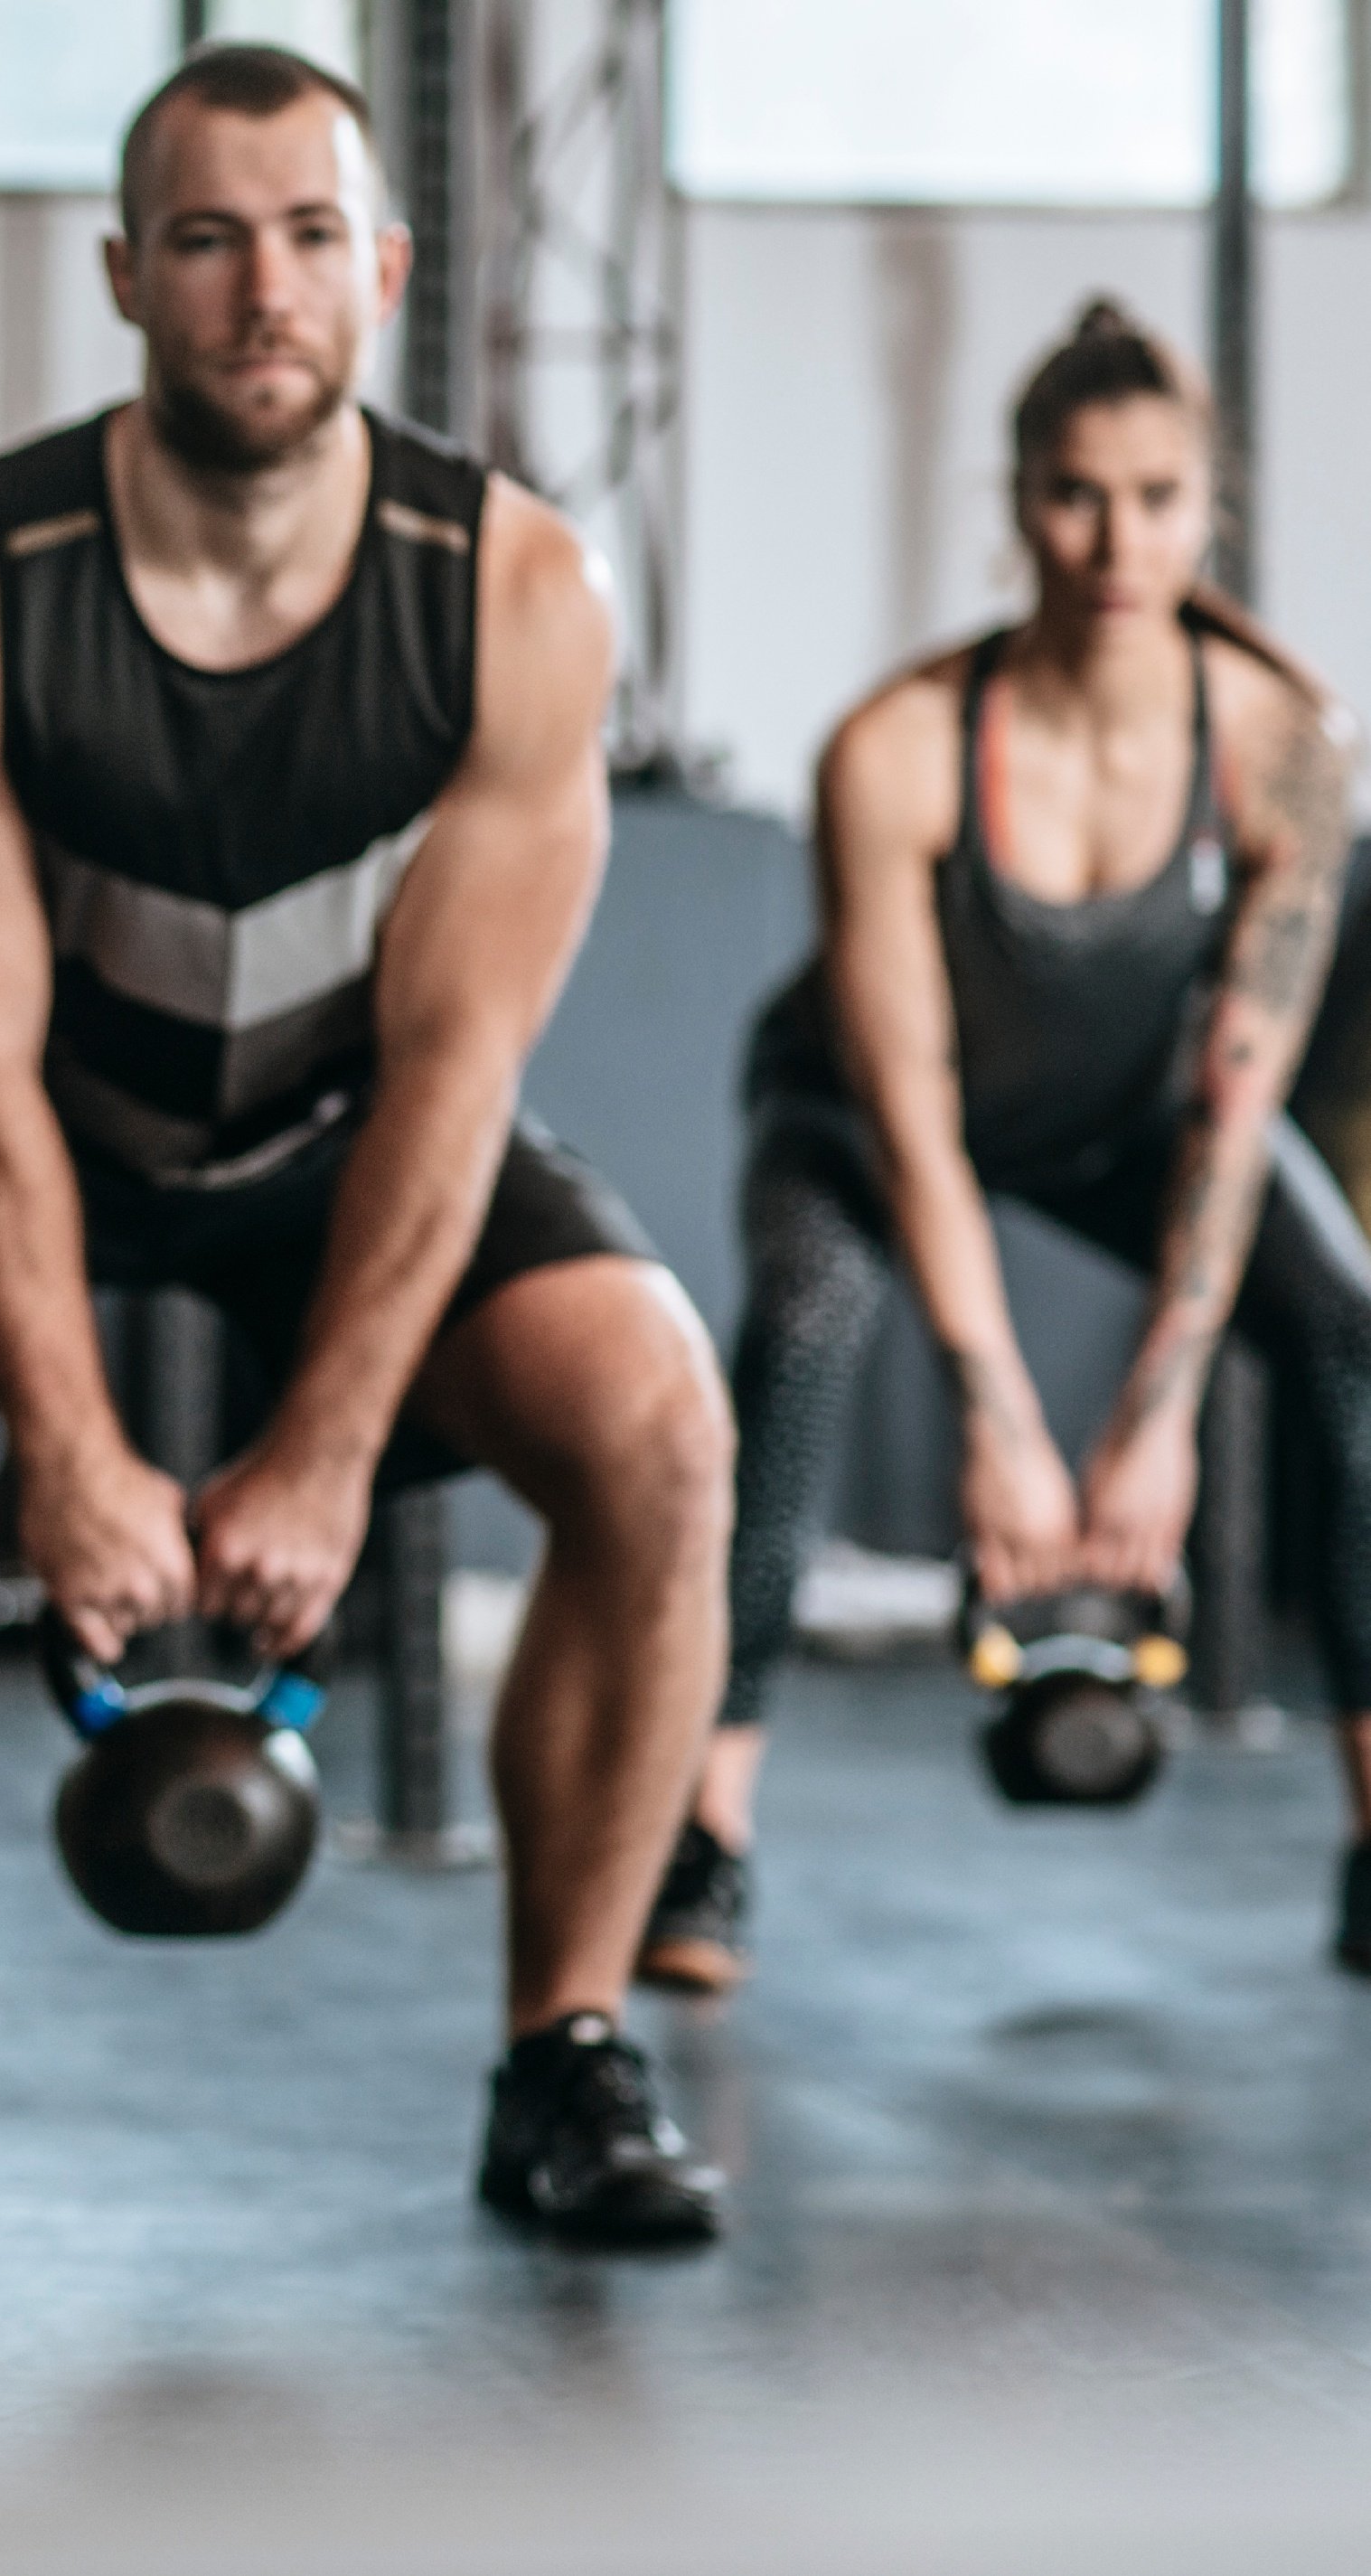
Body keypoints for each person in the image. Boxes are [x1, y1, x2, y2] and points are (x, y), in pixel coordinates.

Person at [0, 46, 733, 2261]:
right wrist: (67, 1442)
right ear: (128, 274)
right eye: (213, 241)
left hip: (350, 1138)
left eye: (314, 237)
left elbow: (451, 1075)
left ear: (388, 272)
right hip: (16, 1126)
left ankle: (569, 2057)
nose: (265, 293)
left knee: (659, 1423)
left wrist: (324, 1450)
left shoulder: (514, 595)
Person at [646, 301, 1364, 1996]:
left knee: (1342, 1324)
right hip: (868, 1114)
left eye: (1157, 496)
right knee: (809, 1323)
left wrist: (1157, 1421)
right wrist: (1001, 1426)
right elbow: (913, 1111)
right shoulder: (892, 752)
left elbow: (1236, 1098)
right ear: (1017, 501)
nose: (1115, 542)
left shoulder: (1280, 750)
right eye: (1072, 496)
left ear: (1210, 510)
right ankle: (704, 1837)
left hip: (1129, 1124)